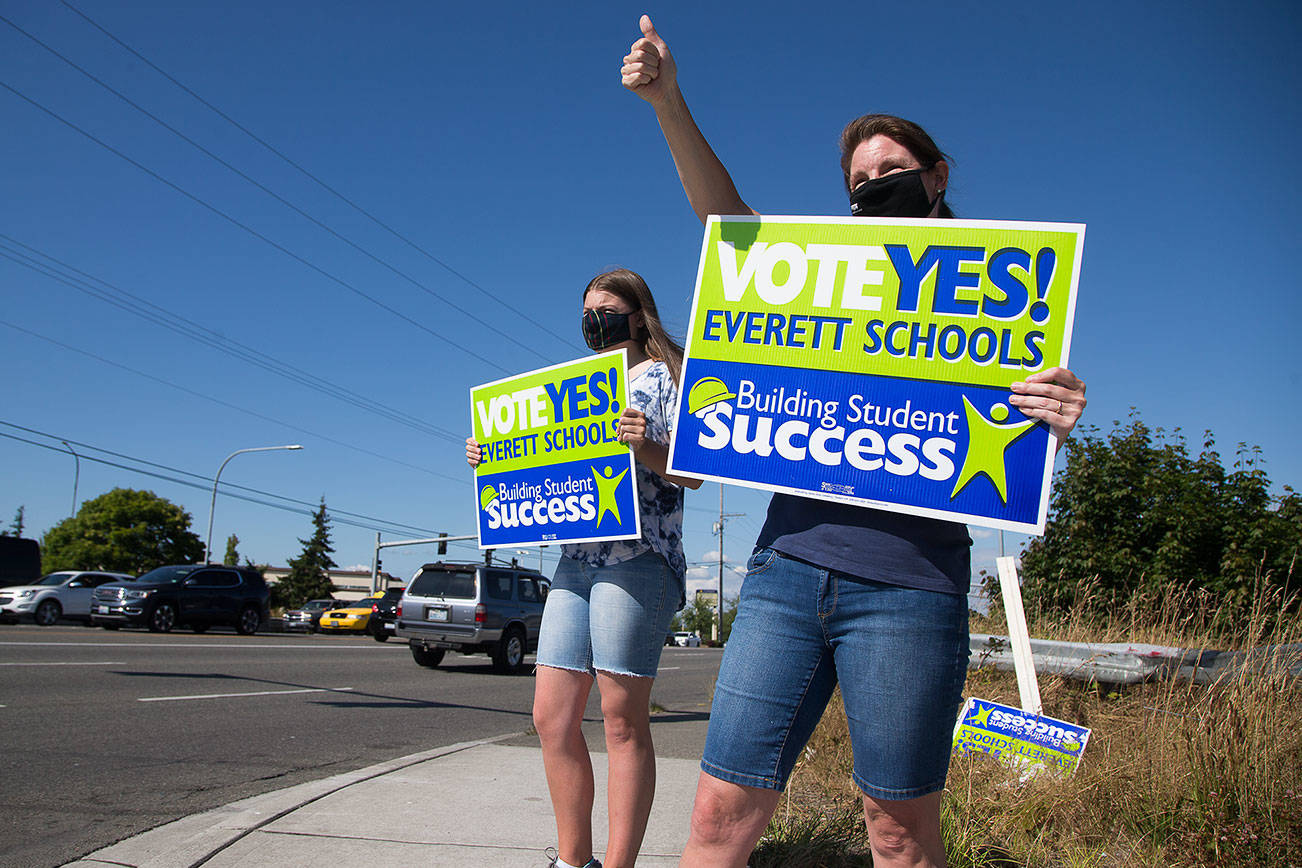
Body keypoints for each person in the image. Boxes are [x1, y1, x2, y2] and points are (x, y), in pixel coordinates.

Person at [620, 16, 1088, 868]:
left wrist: (1054, 407)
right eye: (860, 179)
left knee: (897, 831)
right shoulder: (812, 280)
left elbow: (1018, 441)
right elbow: (728, 221)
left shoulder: (1001, 302)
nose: (875, 185)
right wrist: (668, 103)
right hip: (785, 575)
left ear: (939, 176)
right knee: (719, 813)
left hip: (912, 591)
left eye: (894, 171)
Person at [466, 267, 702, 868]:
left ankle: (617, 863)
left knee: (622, 719)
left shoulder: (672, 376)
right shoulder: (571, 388)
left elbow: (694, 471)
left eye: (607, 308)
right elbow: (542, 467)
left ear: (636, 312)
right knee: (551, 716)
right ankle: (574, 860)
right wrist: (493, 457)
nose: (596, 320)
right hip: (576, 561)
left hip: (639, 560)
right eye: (587, 311)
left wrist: (643, 441)